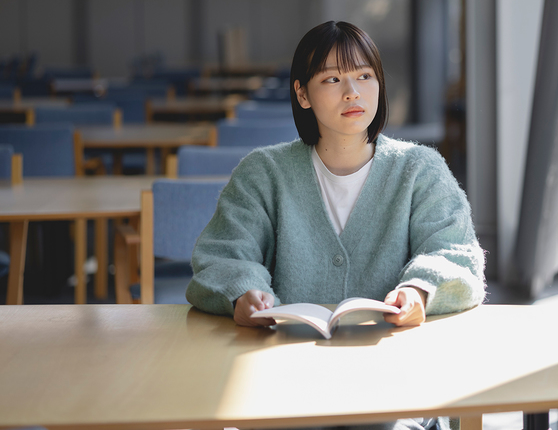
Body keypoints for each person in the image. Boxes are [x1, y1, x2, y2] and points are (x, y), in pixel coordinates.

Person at [186, 19, 485, 337]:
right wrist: (243, 293)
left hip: (392, 360)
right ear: (302, 94)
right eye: (332, 79)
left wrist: (419, 291)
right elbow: (221, 255)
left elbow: (456, 253)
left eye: (365, 76)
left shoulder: (421, 170)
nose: (352, 92)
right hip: (278, 360)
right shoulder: (261, 174)